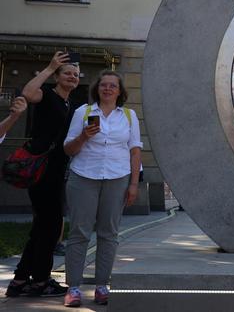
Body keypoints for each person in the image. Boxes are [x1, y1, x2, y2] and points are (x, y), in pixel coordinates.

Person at [62, 70, 142, 306]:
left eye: (112, 86)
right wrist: (84, 137)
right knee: (79, 233)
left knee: (109, 234)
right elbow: (68, 149)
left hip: (117, 178)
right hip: (83, 176)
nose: (107, 89)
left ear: (120, 91)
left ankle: (102, 286)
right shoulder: (83, 112)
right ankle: (73, 288)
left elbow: (135, 150)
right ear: (97, 89)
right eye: (103, 85)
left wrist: (134, 185)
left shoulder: (128, 116)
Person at [6, 52, 78, 298]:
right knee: (50, 225)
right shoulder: (46, 94)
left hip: (56, 170)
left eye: (76, 75)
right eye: (67, 73)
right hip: (42, 169)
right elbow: (27, 93)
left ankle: (20, 280)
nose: (72, 77)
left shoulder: (71, 104)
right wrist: (49, 67)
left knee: (42, 226)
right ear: (57, 76)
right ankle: (40, 280)